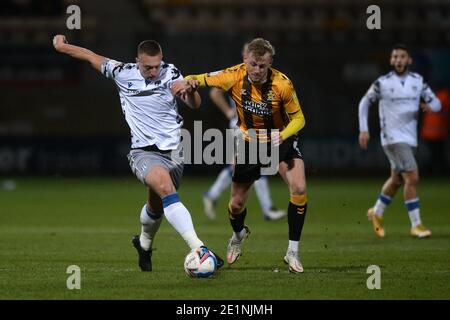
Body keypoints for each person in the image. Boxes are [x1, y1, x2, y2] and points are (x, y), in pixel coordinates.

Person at [52, 34, 223, 272]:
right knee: (165, 188)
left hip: (174, 153)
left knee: (156, 207)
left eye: (157, 66)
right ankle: (199, 248)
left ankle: (143, 244)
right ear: (136, 61)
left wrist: (192, 90)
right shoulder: (122, 72)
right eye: (147, 67)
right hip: (143, 152)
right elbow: (91, 56)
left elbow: (193, 104)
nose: (153, 72)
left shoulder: (171, 74)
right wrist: (62, 46)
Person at [174, 38, 308, 273]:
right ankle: (238, 235)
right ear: (246, 59)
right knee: (236, 204)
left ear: (270, 63)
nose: (257, 70)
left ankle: (292, 252)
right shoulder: (233, 75)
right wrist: (187, 84)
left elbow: (299, 119)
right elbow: (201, 77)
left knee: (298, 188)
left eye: (262, 66)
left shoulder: (282, 84)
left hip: (281, 140)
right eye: (253, 64)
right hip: (249, 142)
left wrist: (284, 134)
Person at [358, 44, 442, 239]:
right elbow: (364, 102)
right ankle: (416, 225)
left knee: (396, 180)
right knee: (412, 178)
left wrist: (430, 106)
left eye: (402, 56)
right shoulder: (383, 82)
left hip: (409, 138)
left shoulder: (417, 81)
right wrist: (364, 129)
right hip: (393, 138)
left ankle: (376, 212)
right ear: (391, 60)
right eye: (395, 56)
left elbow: (437, 104)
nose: (398, 60)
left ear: (409, 60)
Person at [203, 43, 286, 221]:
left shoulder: (260, 76)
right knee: (254, 164)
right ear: (245, 57)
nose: (255, 64)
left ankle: (212, 195)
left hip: (253, 127)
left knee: (241, 166)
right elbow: (214, 93)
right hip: (240, 126)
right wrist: (228, 111)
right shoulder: (235, 75)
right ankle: (267, 208)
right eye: (251, 57)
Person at [420, 87, 449, 174]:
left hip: (428, 132)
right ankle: (439, 172)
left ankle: (430, 172)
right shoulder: (445, 96)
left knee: (433, 155)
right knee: (439, 155)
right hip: (439, 133)